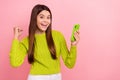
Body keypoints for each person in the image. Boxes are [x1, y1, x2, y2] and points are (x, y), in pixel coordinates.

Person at [9, 4, 80, 80]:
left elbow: (70, 64)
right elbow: (14, 62)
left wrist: (73, 45)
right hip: (36, 77)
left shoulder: (58, 36)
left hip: (56, 77)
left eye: (48, 17)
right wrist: (16, 38)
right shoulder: (27, 40)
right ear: (34, 19)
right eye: (41, 17)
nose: (46, 20)